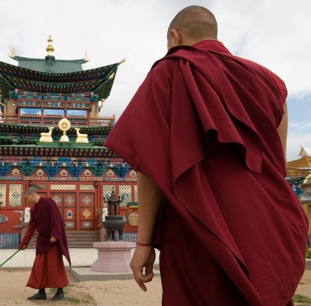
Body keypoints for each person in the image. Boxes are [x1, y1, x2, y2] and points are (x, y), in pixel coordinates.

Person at [104, 5, 309, 305]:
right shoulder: (271, 83)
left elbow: (150, 165)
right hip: (264, 225)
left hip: (199, 228)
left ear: (175, 37)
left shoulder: (171, 69)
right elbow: (276, 165)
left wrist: (144, 242)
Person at [18, 187, 71, 301]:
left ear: (32, 195)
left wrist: (55, 235)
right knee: (39, 265)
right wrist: (24, 242)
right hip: (42, 239)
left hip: (52, 239)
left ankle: (60, 291)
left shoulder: (48, 202)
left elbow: (56, 218)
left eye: (28, 199)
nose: (28, 202)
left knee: (54, 265)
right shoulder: (34, 209)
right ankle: (41, 292)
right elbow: (31, 227)